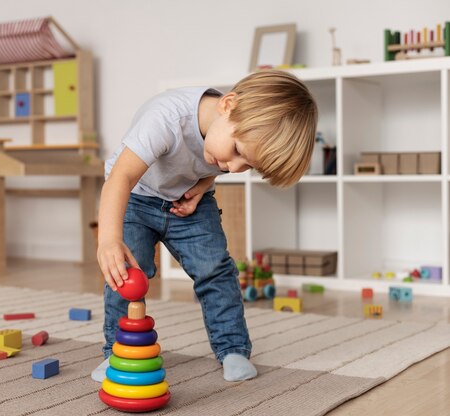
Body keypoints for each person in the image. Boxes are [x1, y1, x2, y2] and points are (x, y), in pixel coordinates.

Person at [91, 70, 317, 382]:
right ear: (228, 105)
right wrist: (108, 240)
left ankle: (233, 348)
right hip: (136, 196)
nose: (235, 168)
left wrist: (202, 186)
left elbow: (218, 161)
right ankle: (117, 352)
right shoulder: (166, 118)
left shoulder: (229, 136)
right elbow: (121, 177)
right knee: (127, 273)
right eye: (238, 153)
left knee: (215, 270)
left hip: (187, 200)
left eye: (248, 166)